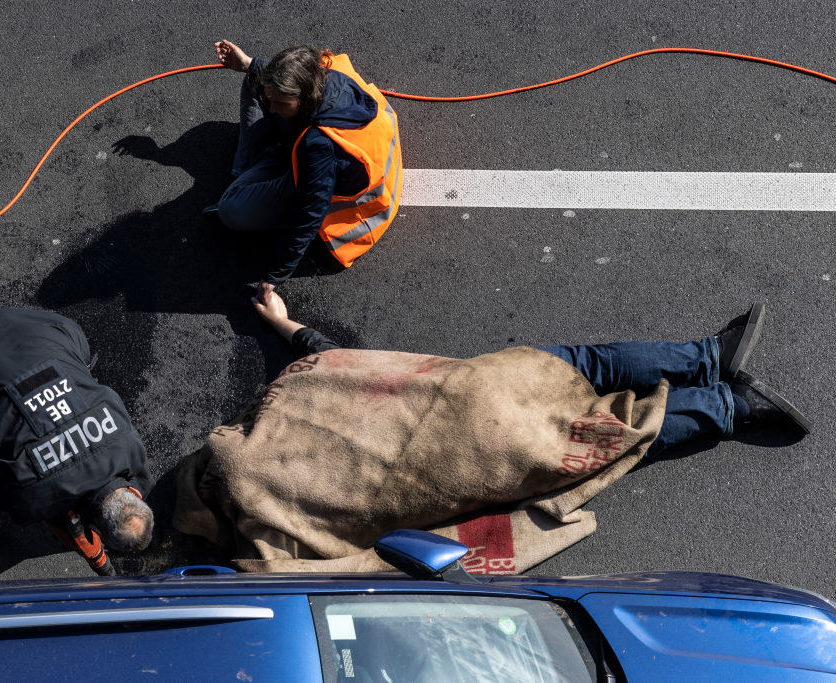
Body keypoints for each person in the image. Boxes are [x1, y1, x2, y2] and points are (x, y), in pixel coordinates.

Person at [173, 297, 809, 573]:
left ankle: (731, 408)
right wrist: (288, 326)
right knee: (577, 365)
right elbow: (330, 364)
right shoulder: (279, 413)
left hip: (472, 460)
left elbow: (361, 567)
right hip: (468, 392)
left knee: (599, 440)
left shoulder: (274, 544)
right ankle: (704, 356)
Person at [0, 309, 155, 570]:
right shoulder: (31, 497)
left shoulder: (129, 445)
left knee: (80, 369)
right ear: (92, 528)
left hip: (44, 327)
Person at [209, 40, 402, 302]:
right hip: (310, 149)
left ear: (303, 98)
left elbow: (309, 214)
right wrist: (249, 65)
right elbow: (272, 85)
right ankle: (255, 168)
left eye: (279, 103)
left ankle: (252, 176)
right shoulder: (327, 74)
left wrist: (274, 277)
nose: (271, 107)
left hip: (318, 178)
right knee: (255, 79)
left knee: (230, 209)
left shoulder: (319, 148)